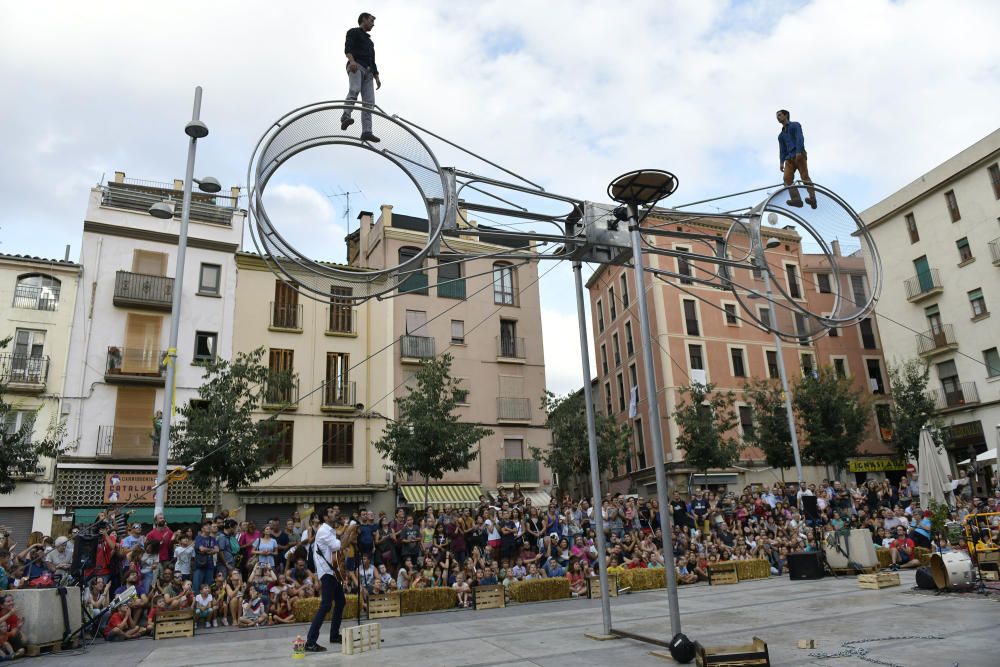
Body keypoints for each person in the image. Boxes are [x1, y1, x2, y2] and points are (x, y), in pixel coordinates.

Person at [304, 507, 346, 652]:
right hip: (327, 573)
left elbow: (335, 552)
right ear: (325, 517)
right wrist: (350, 528)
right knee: (326, 605)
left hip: (333, 571)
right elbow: (338, 545)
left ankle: (334, 635)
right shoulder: (323, 531)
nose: (335, 513)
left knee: (341, 602)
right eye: (332, 512)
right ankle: (310, 641)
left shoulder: (329, 530)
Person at [340, 12, 382, 142]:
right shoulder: (353, 32)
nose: (373, 24)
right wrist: (352, 61)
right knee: (355, 89)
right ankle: (346, 116)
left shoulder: (370, 43)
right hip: (356, 65)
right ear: (364, 19)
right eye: (371, 21)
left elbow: (372, 60)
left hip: (368, 72)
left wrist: (376, 76)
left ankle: (366, 131)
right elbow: (348, 48)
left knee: (369, 103)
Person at [776, 109, 816, 209]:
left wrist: (798, 151)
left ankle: (812, 198)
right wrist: (781, 162)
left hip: (799, 155)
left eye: (780, 115)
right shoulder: (781, 136)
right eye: (777, 116)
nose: (778, 117)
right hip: (789, 159)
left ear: (786, 115)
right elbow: (782, 150)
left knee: (805, 177)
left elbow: (800, 138)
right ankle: (796, 200)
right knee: (787, 179)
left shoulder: (795, 125)